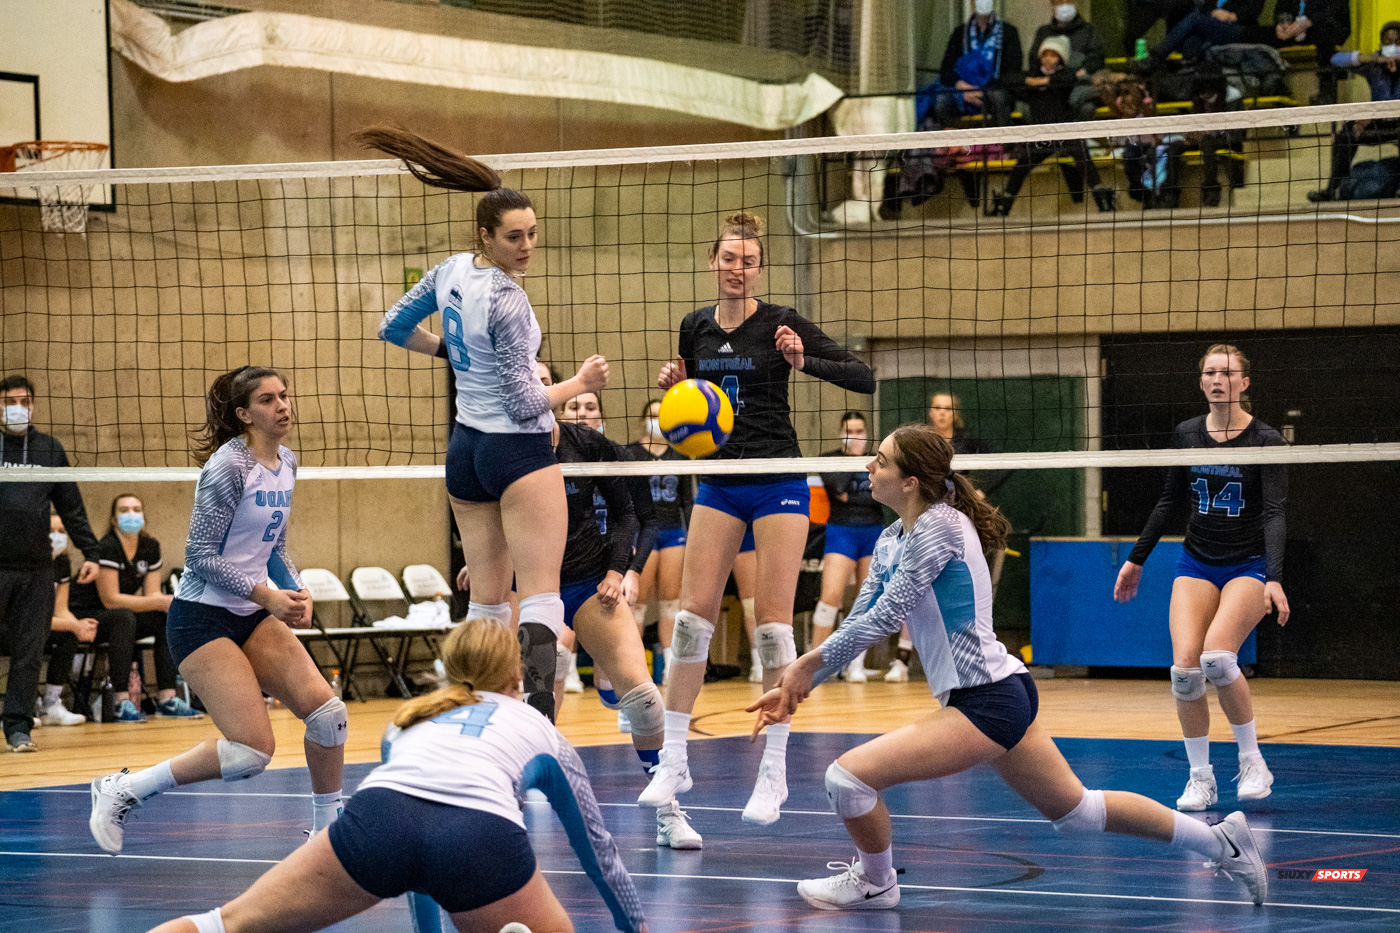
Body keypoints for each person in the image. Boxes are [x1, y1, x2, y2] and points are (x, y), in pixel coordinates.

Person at [749, 424, 1268, 911]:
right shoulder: (891, 539)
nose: (868, 466)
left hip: (987, 700)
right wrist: (799, 682)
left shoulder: (939, 527)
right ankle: (1221, 842)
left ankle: (876, 881)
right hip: (998, 691)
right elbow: (862, 615)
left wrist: (804, 668)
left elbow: (888, 615)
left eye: (880, 460)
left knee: (847, 779)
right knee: (1079, 812)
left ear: (910, 482)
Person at [144, 618, 648, 933]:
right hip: (479, 837)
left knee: (225, 924)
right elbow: (598, 854)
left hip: (379, 820)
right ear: (518, 676)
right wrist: (636, 927)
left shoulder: (406, 721)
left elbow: (416, 857)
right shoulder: (541, 730)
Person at [363, 126, 609, 723]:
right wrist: (580, 384)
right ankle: (538, 722)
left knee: (487, 602)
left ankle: (472, 711)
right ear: (487, 236)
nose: (525, 246)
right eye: (513, 237)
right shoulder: (510, 300)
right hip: (516, 451)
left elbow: (393, 326)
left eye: (532, 235)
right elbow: (526, 404)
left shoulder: (450, 270)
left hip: (465, 450)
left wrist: (450, 353)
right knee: (543, 596)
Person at [639, 210, 875, 827]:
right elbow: (695, 404)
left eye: (748, 261)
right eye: (729, 258)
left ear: (760, 269)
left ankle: (774, 770)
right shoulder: (694, 326)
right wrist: (675, 387)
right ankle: (674, 759)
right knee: (690, 621)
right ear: (712, 262)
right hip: (719, 481)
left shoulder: (780, 323)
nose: (737, 269)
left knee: (772, 628)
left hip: (777, 480)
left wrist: (802, 361)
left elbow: (864, 377)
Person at [88, 366, 345, 853]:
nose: (283, 406)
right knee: (251, 753)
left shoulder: (287, 461)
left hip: (250, 613)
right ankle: (123, 789)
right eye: (267, 400)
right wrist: (266, 596)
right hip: (201, 618)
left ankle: (327, 834)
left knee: (328, 715)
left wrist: (297, 589)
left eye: (284, 395)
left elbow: (273, 545)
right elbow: (200, 557)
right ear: (244, 414)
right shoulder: (228, 466)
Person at [1114, 344, 1288, 813]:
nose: (1217, 380)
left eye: (1227, 373)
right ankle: (1200, 778)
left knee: (1218, 659)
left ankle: (1252, 761)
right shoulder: (1187, 433)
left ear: (1244, 383)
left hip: (1247, 563)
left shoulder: (1266, 440)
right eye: (1210, 372)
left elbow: (1275, 512)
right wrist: (1136, 558)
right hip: (1197, 561)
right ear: (1201, 381)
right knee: (1185, 672)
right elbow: (1169, 500)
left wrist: (1274, 577)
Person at [0, 374, 102, 753]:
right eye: (9, 402)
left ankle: (18, 728)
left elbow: (71, 506)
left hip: (37, 568)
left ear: (33, 406)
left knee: (29, 652)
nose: (18, 408)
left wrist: (91, 552)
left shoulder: (48, 449)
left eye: (24, 402)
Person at [66, 493, 202, 721]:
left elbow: (152, 594)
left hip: (120, 616)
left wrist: (166, 602)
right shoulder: (106, 547)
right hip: (85, 614)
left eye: (136, 509)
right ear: (113, 519)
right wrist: (160, 601)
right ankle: (120, 701)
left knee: (164, 617)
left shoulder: (150, 546)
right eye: (124, 510)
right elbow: (110, 600)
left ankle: (167, 699)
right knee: (124, 617)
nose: (131, 514)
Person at [991, 36, 1117, 217]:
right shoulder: (1031, 75)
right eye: (1045, 55)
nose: (1048, 59)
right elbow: (1007, 80)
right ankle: (1004, 203)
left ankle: (1102, 198)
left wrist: (1043, 82)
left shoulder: (1065, 76)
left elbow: (1069, 77)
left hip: (1065, 132)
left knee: (1083, 158)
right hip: (1041, 135)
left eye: (1053, 55)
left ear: (1060, 59)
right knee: (1022, 165)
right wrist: (1031, 81)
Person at [624, 398, 692, 686]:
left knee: (670, 604)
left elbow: (687, 500)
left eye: (661, 415)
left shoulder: (681, 454)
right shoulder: (630, 453)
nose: (656, 420)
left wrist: (693, 535)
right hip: (643, 532)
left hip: (673, 532)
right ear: (643, 419)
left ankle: (670, 669)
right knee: (637, 604)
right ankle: (634, 669)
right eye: (652, 415)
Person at [813, 412, 884, 682]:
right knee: (830, 597)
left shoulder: (879, 458)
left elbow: (881, 497)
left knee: (867, 599)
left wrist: (855, 496)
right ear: (841, 434)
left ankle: (856, 664)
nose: (855, 436)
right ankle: (816, 664)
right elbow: (839, 489)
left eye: (859, 431)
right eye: (849, 431)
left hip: (872, 532)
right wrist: (852, 457)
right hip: (841, 531)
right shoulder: (829, 458)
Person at [1307, 24, 1400, 203]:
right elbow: (1335, 59)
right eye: (1388, 42)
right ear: (1381, 44)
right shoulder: (1374, 65)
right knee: (1345, 134)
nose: (1394, 46)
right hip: (1379, 122)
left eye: (1398, 42)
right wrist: (1371, 58)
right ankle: (1334, 189)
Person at [930, 0, 1022, 131]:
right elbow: (946, 70)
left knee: (998, 97)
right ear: (972, 3)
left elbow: (1013, 71)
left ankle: (1002, 141)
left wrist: (984, 89)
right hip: (963, 90)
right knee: (941, 100)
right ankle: (954, 141)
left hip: (993, 89)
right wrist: (962, 87)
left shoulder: (1009, 32)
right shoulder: (960, 33)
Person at [41, 514, 95, 726]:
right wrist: (74, 625)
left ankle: (50, 704)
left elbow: (61, 610)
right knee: (31, 637)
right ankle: (20, 706)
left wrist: (79, 628)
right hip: (11, 627)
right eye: (51, 531)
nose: (57, 536)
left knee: (68, 635)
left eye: (62, 531)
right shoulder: (25, 564)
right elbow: (28, 619)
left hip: (41, 625)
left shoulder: (62, 562)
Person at [1025, 1, 1107, 121]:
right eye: (1059, 2)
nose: (1064, 5)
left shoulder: (1089, 31)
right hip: (1050, 88)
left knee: (1086, 107)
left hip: (1077, 86)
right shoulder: (1043, 32)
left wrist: (1077, 73)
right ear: (1053, 5)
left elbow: (1096, 60)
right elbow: (1034, 62)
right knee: (1030, 108)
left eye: (1068, 1)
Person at [1272, 0, 1351, 104]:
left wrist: (1309, 22)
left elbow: (1336, 12)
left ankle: (1326, 91)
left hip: (1323, 28)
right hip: (1294, 31)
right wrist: (1282, 23)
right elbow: (1281, 9)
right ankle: (1274, 87)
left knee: (1325, 35)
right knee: (1261, 34)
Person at [1147, 0, 1265, 66]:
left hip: (1237, 28)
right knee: (1193, 36)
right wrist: (1211, 14)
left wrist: (1232, 16)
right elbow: (1205, 9)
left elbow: (1254, 10)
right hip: (1213, 25)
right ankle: (1190, 69)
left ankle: (1156, 56)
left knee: (1194, 19)